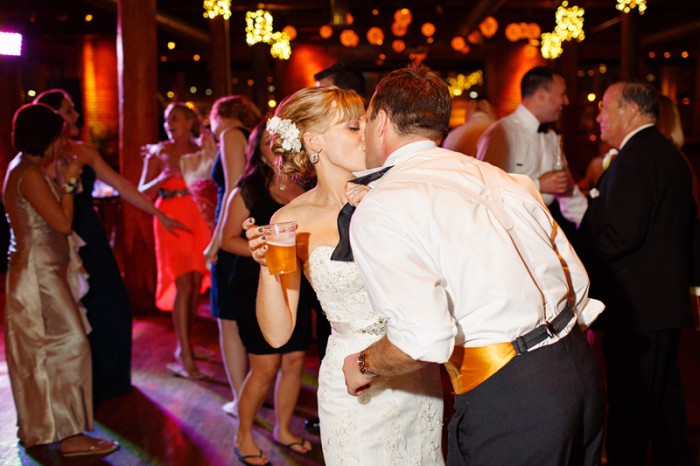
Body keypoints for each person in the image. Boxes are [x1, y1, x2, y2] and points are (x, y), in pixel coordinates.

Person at [337, 65, 604, 465]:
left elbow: (424, 338)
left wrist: (363, 363)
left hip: (511, 396)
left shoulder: (383, 205)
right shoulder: (497, 176)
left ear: (383, 121)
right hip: (580, 368)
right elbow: (576, 279)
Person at [244, 86, 444, 465]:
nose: (367, 133)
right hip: (351, 385)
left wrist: (387, 215)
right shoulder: (291, 219)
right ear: (314, 141)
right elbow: (278, 334)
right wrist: (268, 266)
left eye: (366, 123)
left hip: (414, 370)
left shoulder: (396, 194)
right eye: (353, 127)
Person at [34, 89, 186, 401]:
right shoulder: (39, 161)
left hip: (91, 235)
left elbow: (122, 185)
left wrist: (158, 213)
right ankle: (77, 388)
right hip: (60, 236)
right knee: (74, 312)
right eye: (69, 110)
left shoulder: (84, 151)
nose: (76, 115)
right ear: (54, 117)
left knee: (114, 304)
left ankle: (110, 384)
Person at [578, 82, 696, 466]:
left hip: (636, 309)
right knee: (664, 406)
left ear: (630, 110)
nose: (599, 116)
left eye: (605, 107)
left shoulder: (633, 158)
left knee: (630, 409)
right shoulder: (669, 154)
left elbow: (620, 235)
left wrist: (577, 252)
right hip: (661, 306)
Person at [4, 103, 119, 457]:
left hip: (43, 273)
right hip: (37, 277)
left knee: (45, 354)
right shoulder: (28, 175)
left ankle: (43, 429)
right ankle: (69, 436)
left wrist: (61, 177)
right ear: (46, 138)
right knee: (71, 347)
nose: (64, 143)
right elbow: (63, 224)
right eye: (59, 137)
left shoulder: (26, 169)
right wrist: (69, 181)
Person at [221, 122, 313, 465]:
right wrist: (262, 251)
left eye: (279, 139)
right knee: (265, 367)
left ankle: (283, 430)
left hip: (297, 284)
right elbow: (227, 240)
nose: (274, 145)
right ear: (257, 150)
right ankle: (243, 435)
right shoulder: (248, 189)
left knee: (294, 361)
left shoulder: (308, 184)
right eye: (266, 141)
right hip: (253, 285)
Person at [139, 102, 212, 380]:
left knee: (195, 284)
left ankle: (187, 345)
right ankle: (184, 355)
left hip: (197, 217)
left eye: (176, 118)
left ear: (190, 121)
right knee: (183, 283)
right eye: (167, 119)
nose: (169, 124)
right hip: (171, 218)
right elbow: (143, 192)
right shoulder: (159, 152)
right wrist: (161, 177)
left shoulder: (200, 149)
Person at [476, 66, 587, 235]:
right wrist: (538, 185)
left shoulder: (551, 137)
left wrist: (593, 224)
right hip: (508, 231)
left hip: (543, 229)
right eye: (562, 94)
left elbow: (568, 191)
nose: (566, 102)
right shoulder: (501, 134)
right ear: (541, 95)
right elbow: (484, 188)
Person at [205, 95, 262, 415]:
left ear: (221, 115)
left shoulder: (229, 134)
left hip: (232, 233)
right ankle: (253, 392)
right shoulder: (250, 136)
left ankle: (242, 400)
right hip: (248, 229)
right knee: (245, 316)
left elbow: (232, 190)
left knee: (228, 321)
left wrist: (215, 242)